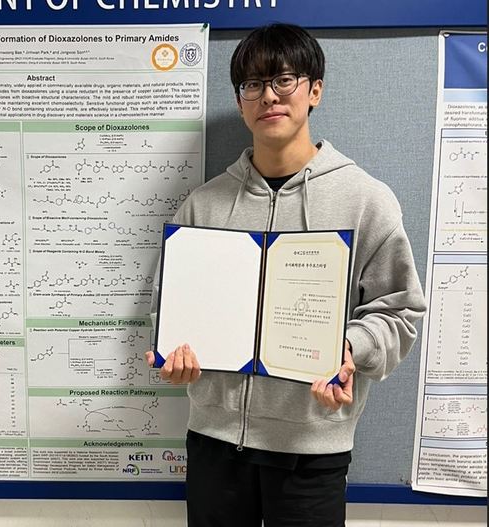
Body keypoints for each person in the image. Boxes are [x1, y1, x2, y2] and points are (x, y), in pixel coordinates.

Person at [145, 23, 427, 527]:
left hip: (311, 450)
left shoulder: (366, 201)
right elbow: (166, 304)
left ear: (315, 90)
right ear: (240, 102)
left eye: (284, 80)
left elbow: (400, 311)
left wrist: (350, 348)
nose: (269, 96)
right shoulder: (203, 205)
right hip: (213, 444)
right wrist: (172, 351)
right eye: (253, 84)